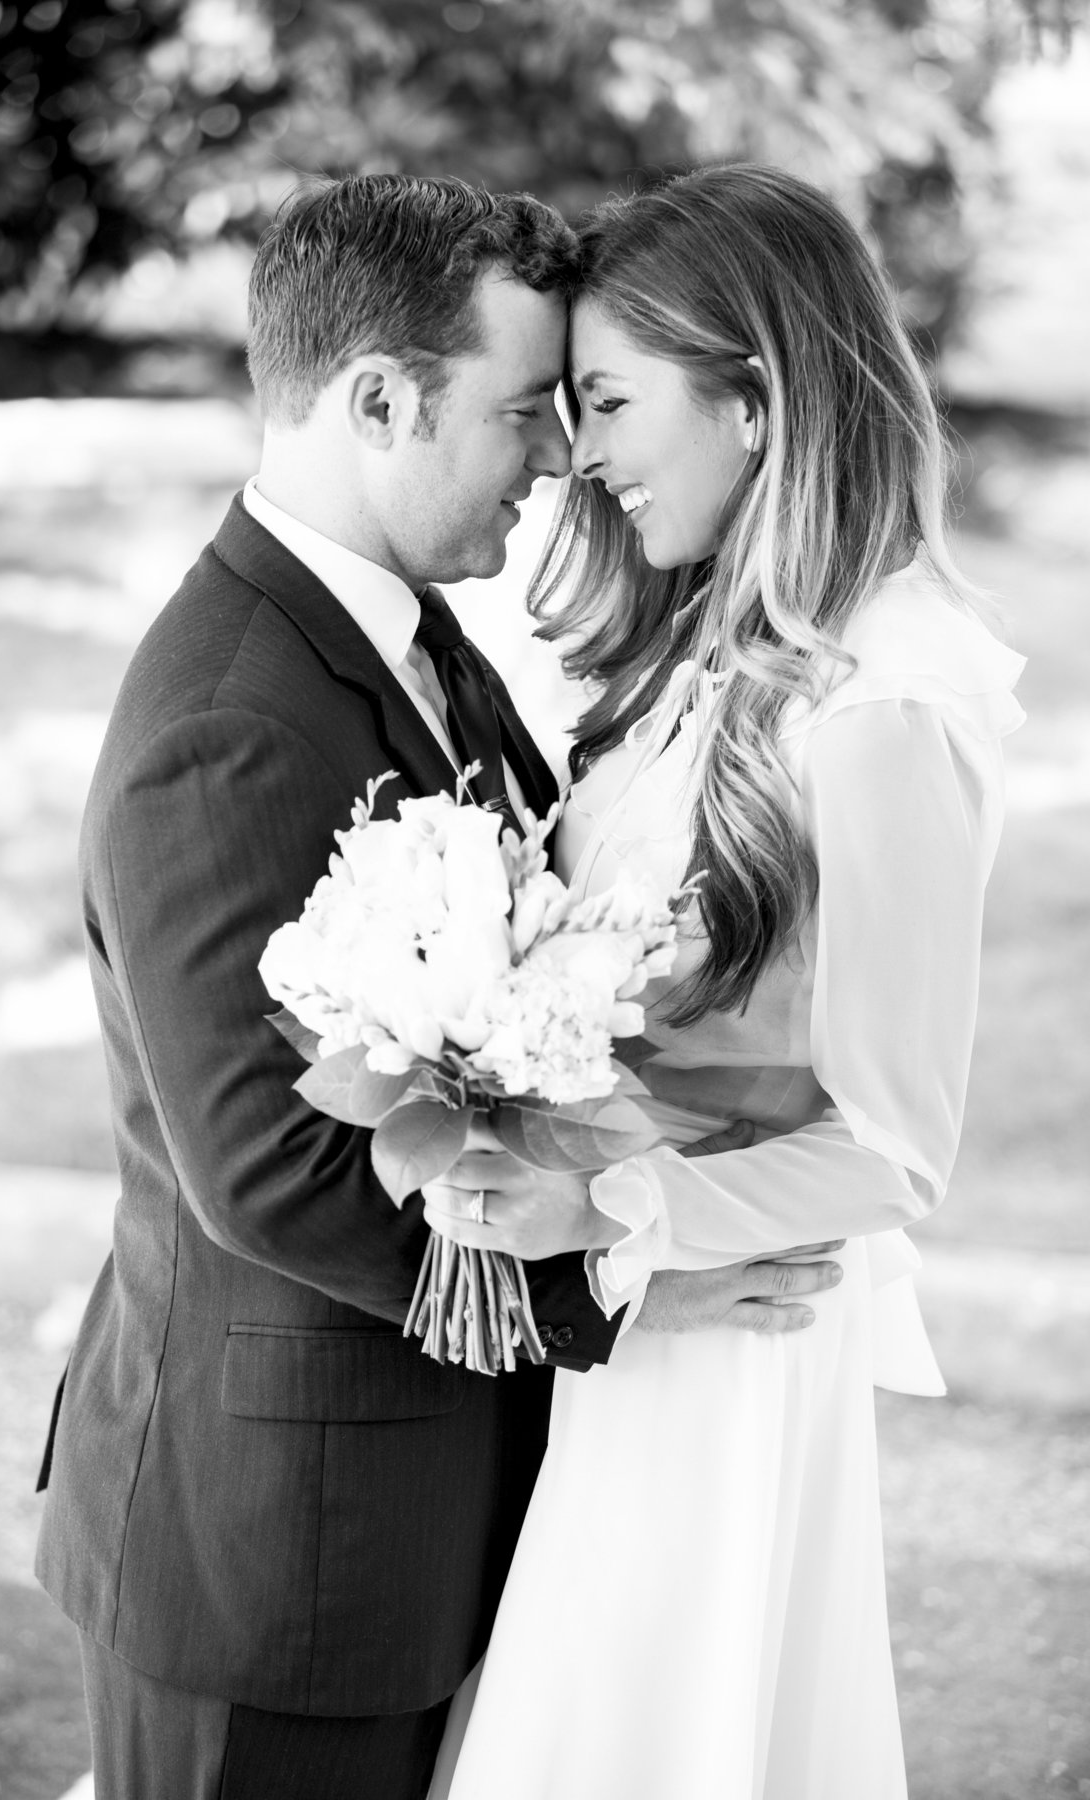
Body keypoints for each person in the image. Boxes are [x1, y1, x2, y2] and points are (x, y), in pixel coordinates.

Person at [33, 173, 842, 1800]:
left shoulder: (411, 631)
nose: (558, 460)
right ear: (380, 400)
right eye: (524, 408)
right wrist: (613, 1290)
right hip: (278, 1555)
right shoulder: (230, 721)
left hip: (409, 1517)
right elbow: (272, 1172)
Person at [422, 164, 1025, 1800]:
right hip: (625, 1321)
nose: (585, 455)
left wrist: (616, 1228)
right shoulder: (704, 643)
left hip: (726, 1343)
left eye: (610, 400)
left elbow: (897, 1148)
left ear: (753, 395)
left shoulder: (892, 696)